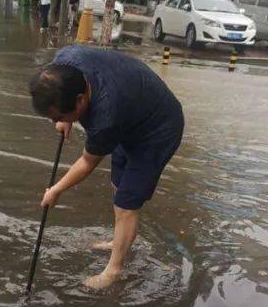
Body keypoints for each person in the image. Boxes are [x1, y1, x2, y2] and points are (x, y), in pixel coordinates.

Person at [28, 45, 185, 290]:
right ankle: (119, 240)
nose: (56, 122)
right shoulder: (64, 62)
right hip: (132, 114)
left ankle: (114, 269)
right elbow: (65, 105)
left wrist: (56, 190)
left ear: (80, 100)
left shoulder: (105, 117)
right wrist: (62, 118)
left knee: (127, 202)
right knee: (118, 184)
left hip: (158, 128)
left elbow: (87, 163)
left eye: (61, 115)